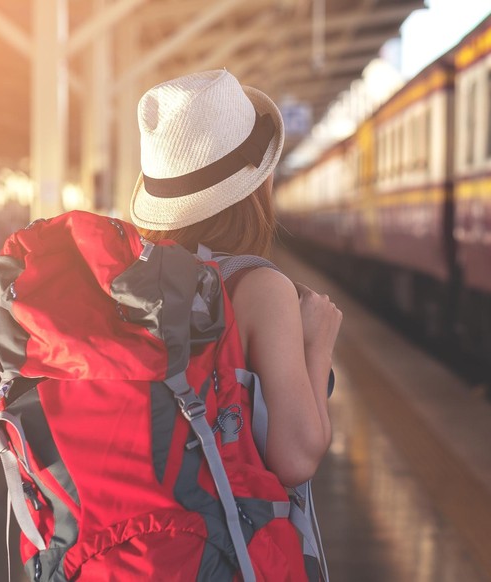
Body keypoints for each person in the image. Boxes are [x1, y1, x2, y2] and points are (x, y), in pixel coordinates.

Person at [130, 69, 340, 488]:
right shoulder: (260, 288)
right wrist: (318, 344)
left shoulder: (129, 275)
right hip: (210, 544)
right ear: (257, 187)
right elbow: (297, 458)